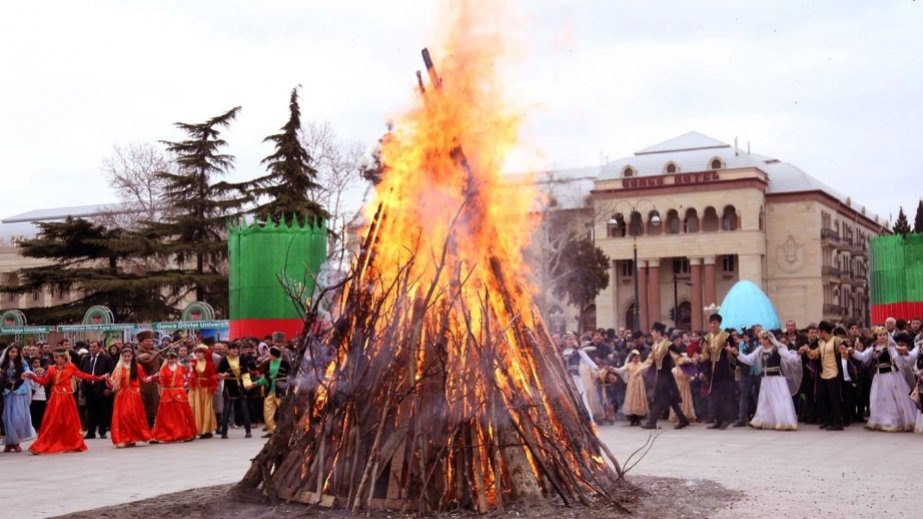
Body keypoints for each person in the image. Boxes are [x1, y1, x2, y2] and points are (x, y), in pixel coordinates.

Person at [23, 349, 106, 454]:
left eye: (57, 357)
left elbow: (83, 375)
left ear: (63, 357)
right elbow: (44, 381)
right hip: (56, 398)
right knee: (53, 420)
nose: (55, 359)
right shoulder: (51, 368)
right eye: (54, 357)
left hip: (67, 398)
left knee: (69, 421)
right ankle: (49, 442)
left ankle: (70, 442)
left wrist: (99, 378)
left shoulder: (71, 367)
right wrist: (33, 377)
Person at [848, 328, 917, 432]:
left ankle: (893, 421)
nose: (883, 337)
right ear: (876, 337)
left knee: (892, 399)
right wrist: (853, 351)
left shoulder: (891, 347)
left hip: (891, 376)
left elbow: (898, 359)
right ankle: (882, 421)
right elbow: (863, 356)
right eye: (880, 335)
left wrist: (902, 353)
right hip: (879, 377)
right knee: (879, 399)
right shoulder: (874, 348)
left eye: (885, 335)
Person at [736, 331, 801, 430]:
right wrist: (737, 353)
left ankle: (783, 422)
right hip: (766, 379)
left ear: (767, 340)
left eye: (761, 339)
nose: (759, 341)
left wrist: (798, 354)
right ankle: (764, 420)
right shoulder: (760, 349)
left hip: (777, 380)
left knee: (779, 401)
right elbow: (749, 359)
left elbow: (790, 358)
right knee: (764, 401)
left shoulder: (777, 349)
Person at [640, 322, 689, 430]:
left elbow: (678, 357)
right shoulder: (655, 345)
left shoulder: (668, 344)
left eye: (653, 331)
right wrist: (640, 369)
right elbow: (649, 360)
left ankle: (652, 422)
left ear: (658, 332)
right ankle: (683, 420)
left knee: (658, 398)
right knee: (671, 400)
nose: (652, 334)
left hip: (666, 376)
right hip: (660, 375)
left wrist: (689, 360)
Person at [800, 321, 846, 431]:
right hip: (823, 374)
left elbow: (845, 350)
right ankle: (827, 420)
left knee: (834, 399)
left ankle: (838, 422)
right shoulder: (821, 342)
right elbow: (815, 354)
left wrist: (845, 351)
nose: (817, 334)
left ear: (823, 332)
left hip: (834, 373)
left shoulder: (836, 340)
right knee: (820, 397)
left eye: (818, 332)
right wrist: (808, 350)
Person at [147, 349, 197, 443]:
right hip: (167, 393)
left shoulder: (181, 368)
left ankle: (184, 433)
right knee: (165, 415)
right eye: (169, 358)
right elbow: (159, 379)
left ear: (175, 359)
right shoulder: (163, 369)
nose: (170, 360)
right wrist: (151, 378)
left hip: (179, 393)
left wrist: (190, 370)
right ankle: (164, 434)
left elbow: (189, 377)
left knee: (181, 414)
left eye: (172, 358)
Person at [698, 314, 737, 429]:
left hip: (724, 368)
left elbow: (734, 350)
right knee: (714, 396)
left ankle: (727, 419)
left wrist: (731, 351)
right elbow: (705, 353)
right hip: (712, 369)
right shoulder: (707, 338)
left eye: (714, 323)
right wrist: (699, 357)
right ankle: (718, 420)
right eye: (711, 323)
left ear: (719, 324)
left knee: (725, 395)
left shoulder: (726, 336)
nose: (712, 325)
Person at [108, 348, 153, 448]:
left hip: (133, 395)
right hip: (122, 395)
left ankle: (131, 438)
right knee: (122, 417)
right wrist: (107, 379)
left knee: (131, 416)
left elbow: (144, 379)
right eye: (125, 356)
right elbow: (113, 383)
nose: (127, 358)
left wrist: (153, 377)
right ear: (122, 357)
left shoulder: (137, 367)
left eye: (129, 356)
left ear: (132, 356)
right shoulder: (118, 368)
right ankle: (124, 438)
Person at [251, 346, 291, 437]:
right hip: (269, 390)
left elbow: (290, 376)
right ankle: (271, 431)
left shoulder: (284, 363)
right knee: (267, 411)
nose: (268, 355)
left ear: (274, 354)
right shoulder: (268, 364)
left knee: (284, 410)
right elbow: (266, 378)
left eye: (270, 353)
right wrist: (255, 383)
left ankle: (286, 431)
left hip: (280, 391)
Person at [2, 345, 36, 452]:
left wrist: (28, 375)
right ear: (7, 352)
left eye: (16, 352)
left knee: (19, 418)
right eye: (12, 352)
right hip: (7, 393)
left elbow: (27, 375)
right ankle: (9, 443)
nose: (14, 354)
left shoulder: (22, 364)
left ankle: (16, 440)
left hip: (19, 392)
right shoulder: (3, 364)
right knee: (7, 418)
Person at [78, 340, 114, 439]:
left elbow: (111, 373)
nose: (92, 349)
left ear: (99, 347)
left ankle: (102, 431)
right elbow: (80, 371)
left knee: (102, 410)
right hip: (89, 387)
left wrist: (109, 388)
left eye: (94, 347)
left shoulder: (106, 358)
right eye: (90, 347)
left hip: (101, 388)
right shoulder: (86, 358)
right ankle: (91, 432)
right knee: (90, 411)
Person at [560, 333, 600, 423]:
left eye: (573, 339)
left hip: (576, 377)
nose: (571, 341)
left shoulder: (578, 351)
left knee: (582, 396)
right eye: (569, 339)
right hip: (566, 379)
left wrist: (594, 367)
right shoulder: (562, 352)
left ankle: (589, 419)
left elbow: (586, 358)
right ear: (565, 341)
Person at [216, 342, 253, 439]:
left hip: (240, 385)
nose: (235, 350)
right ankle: (224, 432)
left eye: (236, 349)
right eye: (233, 349)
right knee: (227, 409)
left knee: (245, 408)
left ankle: (248, 431)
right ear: (228, 350)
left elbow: (245, 373)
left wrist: (247, 384)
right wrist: (223, 375)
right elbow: (218, 372)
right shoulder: (224, 360)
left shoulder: (242, 359)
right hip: (229, 385)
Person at [611, 349, 649, 426]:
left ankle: (638, 419)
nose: (636, 359)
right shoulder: (629, 365)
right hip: (631, 384)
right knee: (632, 400)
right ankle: (632, 419)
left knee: (638, 400)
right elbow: (620, 370)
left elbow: (646, 371)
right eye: (635, 357)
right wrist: (613, 369)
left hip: (639, 384)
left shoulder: (641, 365)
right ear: (632, 358)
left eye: (638, 357)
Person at [188, 344, 218, 439]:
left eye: (200, 352)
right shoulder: (192, 363)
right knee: (193, 407)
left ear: (205, 354)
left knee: (206, 409)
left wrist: (212, 387)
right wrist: (190, 370)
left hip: (206, 390)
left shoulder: (209, 364)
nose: (198, 354)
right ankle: (194, 429)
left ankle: (206, 430)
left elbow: (213, 376)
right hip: (195, 389)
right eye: (197, 352)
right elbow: (189, 375)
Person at [734, 326, 762, 427]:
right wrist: (747, 344)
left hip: (758, 372)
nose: (760, 332)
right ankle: (742, 418)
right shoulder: (742, 344)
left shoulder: (759, 343)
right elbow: (743, 356)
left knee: (760, 396)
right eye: (758, 331)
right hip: (747, 373)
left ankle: (760, 417)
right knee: (744, 395)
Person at [135, 330, 162, 428]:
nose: (150, 343)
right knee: (141, 409)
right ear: (140, 342)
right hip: (140, 385)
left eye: (151, 341)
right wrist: (138, 358)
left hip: (154, 386)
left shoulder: (156, 353)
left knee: (153, 409)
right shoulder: (135, 353)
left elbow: (165, 363)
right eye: (147, 341)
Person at [29, 357, 47, 431]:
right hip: (34, 397)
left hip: (42, 397)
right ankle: (34, 428)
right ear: (32, 364)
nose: (37, 364)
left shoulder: (44, 372)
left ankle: (41, 427)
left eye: (38, 362)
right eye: (35, 362)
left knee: (42, 413)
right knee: (34, 414)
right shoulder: (30, 373)